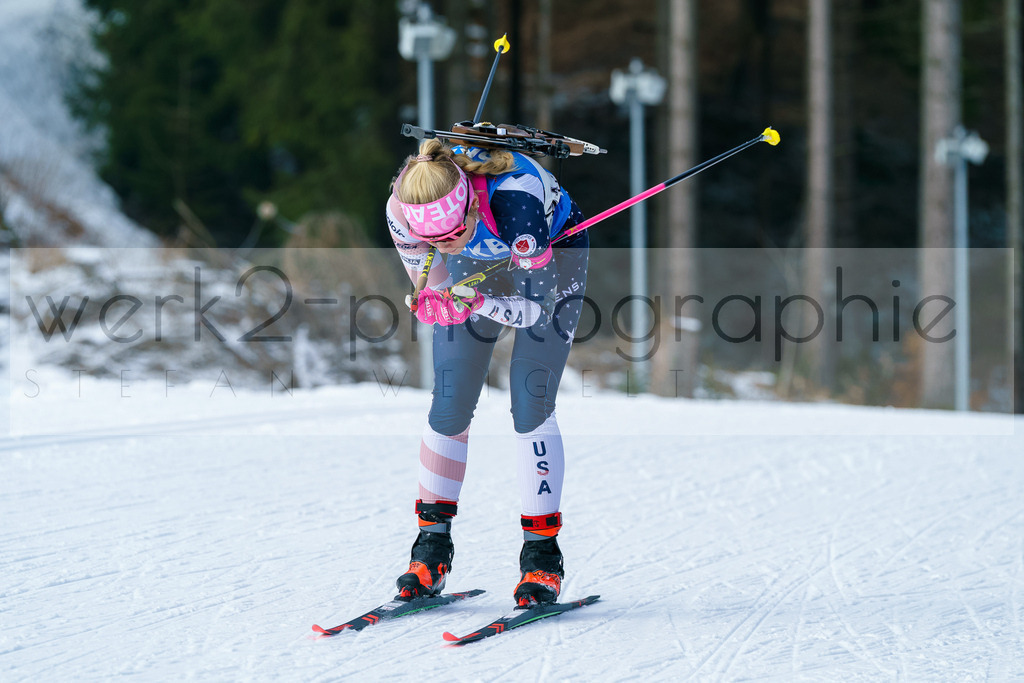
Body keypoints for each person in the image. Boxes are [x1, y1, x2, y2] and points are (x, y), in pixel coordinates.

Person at [385, 138, 589, 607]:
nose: (442, 245)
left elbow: (535, 312)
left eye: (452, 234)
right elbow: (432, 283)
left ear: (470, 205)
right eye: (432, 241)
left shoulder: (515, 204)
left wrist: (479, 301)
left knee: (529, 399)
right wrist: (436, 300)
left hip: (551, 258)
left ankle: (542, 558)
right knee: (449, 400)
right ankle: (429, 550)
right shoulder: (404, 207)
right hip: (478, 268)